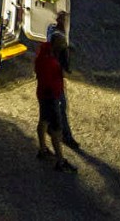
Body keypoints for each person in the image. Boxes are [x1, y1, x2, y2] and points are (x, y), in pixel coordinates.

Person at [34, 39, 77, 172]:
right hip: (51, 97)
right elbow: (52, 79)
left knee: (44, 121)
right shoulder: (51, 62)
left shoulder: (43, 54)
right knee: (56, 130)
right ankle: (60, 161)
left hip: (42, 94)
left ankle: (42, 149)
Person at [46, 11, 79, 150]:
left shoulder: (53, 32)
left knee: (56, 106)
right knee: (61, 107)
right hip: (55, 80)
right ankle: (66, 137)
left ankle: (49, 127)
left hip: (53, 78)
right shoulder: (58, 36)